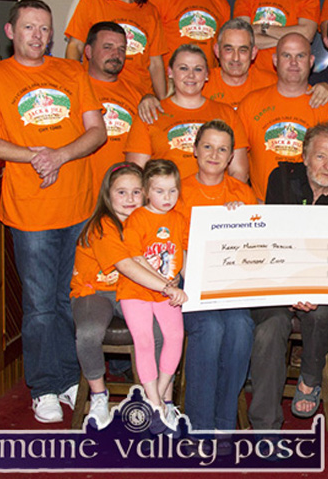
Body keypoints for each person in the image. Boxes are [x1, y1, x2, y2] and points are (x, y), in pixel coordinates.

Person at [0, 0, 106, 423]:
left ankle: (67, 377)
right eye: (29, 27)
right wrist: (34, 156)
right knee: (41, 304)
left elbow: (96, 131)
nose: (38, 36)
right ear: (12, 32)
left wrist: (59, 156)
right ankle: (43, 385)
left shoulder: (73, 72)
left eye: (45, 28)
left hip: (79, 206)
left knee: (71, 301)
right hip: (30, 212)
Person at [250, 122, 328, 430]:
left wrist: (315, 290)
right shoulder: (281, 178)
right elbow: (273, 240)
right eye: (321, 156)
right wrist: (289, 290)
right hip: (275, 281)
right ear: (305, 156)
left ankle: (310, 378)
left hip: (324, 286)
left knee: (322, 311)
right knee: (271, 327)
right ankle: (265, 427)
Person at [69, 162, 162, 426]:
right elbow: (128, 266)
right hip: (96, 290)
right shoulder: (102, 225)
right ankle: (99, 395)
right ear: (108, 195)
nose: (130, 199)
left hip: (132, 290)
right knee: (88, 332)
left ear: (145, 193)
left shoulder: (148, 220)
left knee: (157, 331)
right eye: (121, 192)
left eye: (136, 191)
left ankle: (152, 395)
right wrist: (165, 286)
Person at [178, 120, 256, 431]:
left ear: (230, 157)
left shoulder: (243, 193)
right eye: (207, 146)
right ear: (195, 150)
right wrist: (192, 283)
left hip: (231, 281)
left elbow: (253, 249)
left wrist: (240, 221)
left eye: (223, 149)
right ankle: (200, 424)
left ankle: (224, 422)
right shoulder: (177, 190)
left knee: (240, 326)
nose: (214, 154)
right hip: (186, 280)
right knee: (209, 328)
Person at [117, 159, 188, 427]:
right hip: (135, 291)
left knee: (175, 336)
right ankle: (156, 404)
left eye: (172, 190)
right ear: (147, 191)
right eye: (160, 191)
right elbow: (135, 257)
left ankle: (159, 395)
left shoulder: (179, 219)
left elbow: (184, 254)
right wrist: (166, 284)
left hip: (167, 293)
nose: (167, 197)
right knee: (144, 340)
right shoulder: (137, 218)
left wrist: (187, 284)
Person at [237, 33, 328, 202]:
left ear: (311, 61)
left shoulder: (326, 106)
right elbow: (236, 166)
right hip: (261, 205)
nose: (293, 63)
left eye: (300, 56)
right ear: (275, 60)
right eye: (286, 55)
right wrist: (249, 199)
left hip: (310, 210)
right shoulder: (250, 104)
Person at [124, 44, 249, 183]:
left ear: (207, 74)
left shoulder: (227, 114)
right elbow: (136, 175)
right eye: (183, 68)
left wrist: (226, 200)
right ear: (170, 72)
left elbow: (239, 172)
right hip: (167, 202)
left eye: (198, 69)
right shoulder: (150, 113)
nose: (191, 75)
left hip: (214, 202)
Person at [65, 0, 167, 101]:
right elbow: (75, 46)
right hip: (97, 94)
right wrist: (73, 85)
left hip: (138, 101)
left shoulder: (150, 11)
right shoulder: (92, 1)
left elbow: (155, 64)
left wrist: (164, 102)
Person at [84, 21, 146, 199]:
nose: (116, 54)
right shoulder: (73, 89)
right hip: (81, 198)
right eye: (107, 47)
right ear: (88, 51)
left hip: (122, 199)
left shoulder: (137, 95)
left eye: (121, 49)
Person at [203, 19, 275, 109]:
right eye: (229, 49)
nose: (235, 58)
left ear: (253, 53)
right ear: (217, 51)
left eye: (242, 50)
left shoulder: (271, 84)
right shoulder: (201, 83)